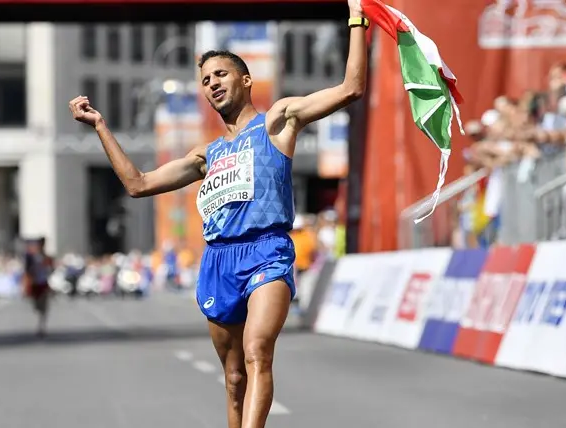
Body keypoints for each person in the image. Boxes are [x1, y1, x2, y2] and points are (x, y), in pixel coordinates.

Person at [68, 1, 368, 425]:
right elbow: (138, 185)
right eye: (205, 80)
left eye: (221, 75)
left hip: (267, 252)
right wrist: (100, 126)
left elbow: (351, 88)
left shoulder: (277, 122)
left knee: (257, 352)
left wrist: (356, 17)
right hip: (218, 261)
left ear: (246, 81)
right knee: (233, 378)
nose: (212, 84)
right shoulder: (205, 155)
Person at [23, 238, 54, 338]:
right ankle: (39, 322)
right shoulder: (31, 257)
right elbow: (27, 270)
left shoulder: (47, 257)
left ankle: (41, 327)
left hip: (43, 283)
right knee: (36, 307)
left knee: (44, 307)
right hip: (34, 284)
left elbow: (51, 269)